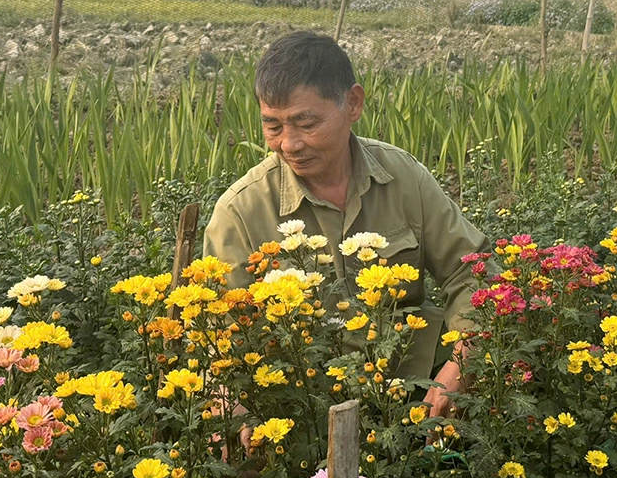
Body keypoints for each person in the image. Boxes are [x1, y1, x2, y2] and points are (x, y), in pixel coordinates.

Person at [203, 31, 486, 416]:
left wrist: (463, 361)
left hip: (416, 395)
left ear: (353, 103)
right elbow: (220, 337)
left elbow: (472, 272)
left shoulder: (403, 177)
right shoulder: (241, 211)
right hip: (298, 413)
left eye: (305, 122)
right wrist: (237, 415)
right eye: (273, 126)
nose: (289, 143)